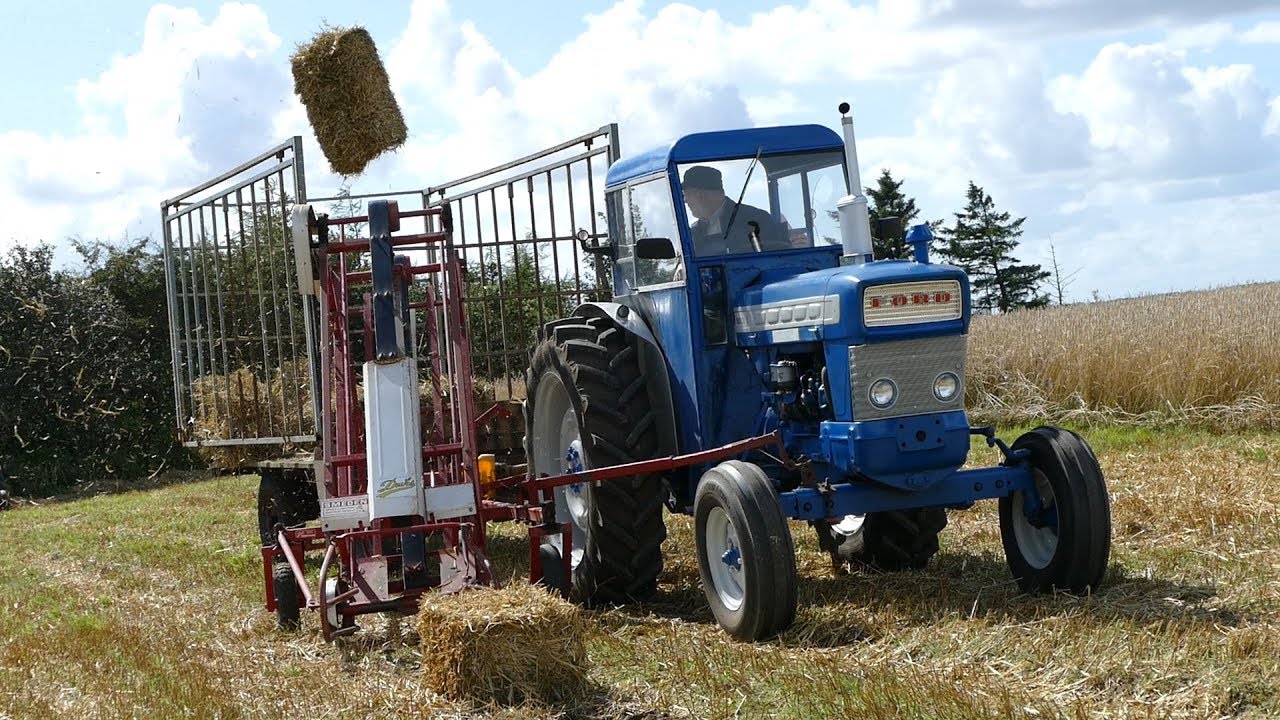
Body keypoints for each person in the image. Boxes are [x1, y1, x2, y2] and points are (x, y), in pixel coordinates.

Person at [682, 166, 790, 256]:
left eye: (686, 195)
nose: (685, 201)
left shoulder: (755, 220)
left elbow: (774, 258)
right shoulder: (693, 232)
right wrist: (681, 267)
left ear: (700, 195)